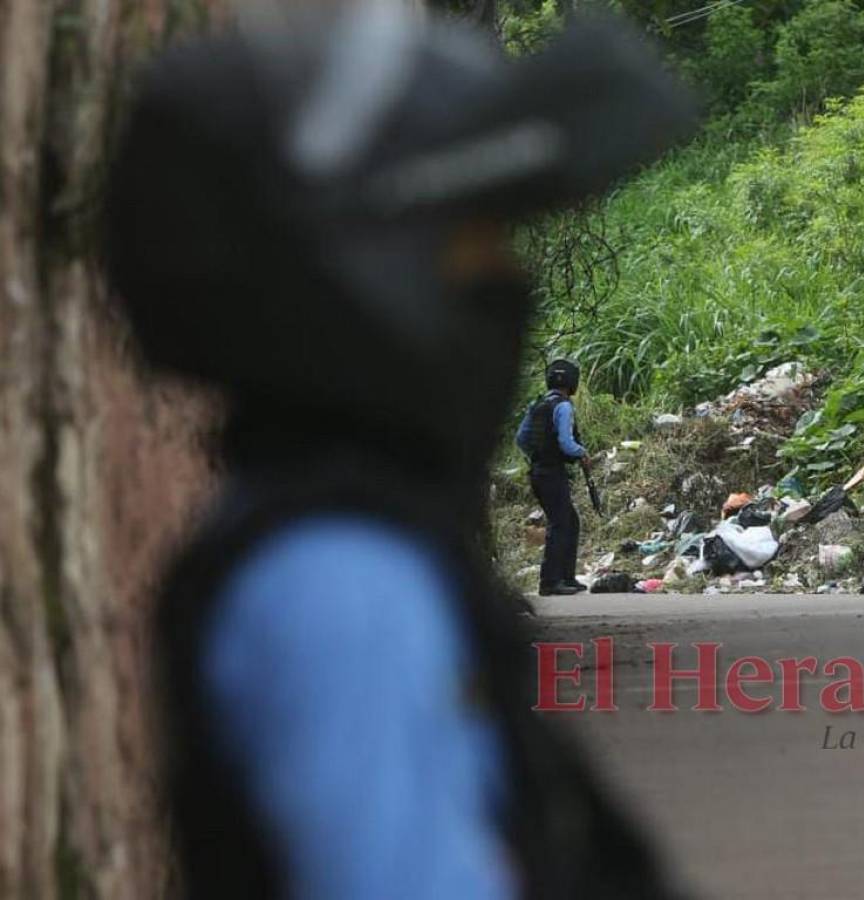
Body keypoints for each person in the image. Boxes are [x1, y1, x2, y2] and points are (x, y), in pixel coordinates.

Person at [104, 4, 695, 898]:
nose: (504, 282)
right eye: (472, 243)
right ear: (347, 271)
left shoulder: (344, 539)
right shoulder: (338, 581)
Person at [516, 359, 591, 595]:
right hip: (552, 473)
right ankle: (550, 582)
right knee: (560, 524)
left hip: (538, 473)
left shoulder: (537, 405)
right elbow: (567, 444)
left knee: (570, 520)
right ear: (572, 383)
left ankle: (567, 577)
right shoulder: (564, 407)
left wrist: (537, 455)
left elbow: (521, 439)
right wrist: (582, 453)